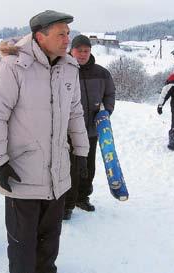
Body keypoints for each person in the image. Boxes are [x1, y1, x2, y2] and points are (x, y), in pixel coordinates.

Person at [0, 10, 89, 273]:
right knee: (22, 245)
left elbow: (75, 112)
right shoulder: (13, 66)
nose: (67, 40)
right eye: (61, 34)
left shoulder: (69, 67)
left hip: (57, 173)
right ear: (40, 36)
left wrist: (81, 153)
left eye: (68, 33)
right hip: (21, 174)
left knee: (49, 240)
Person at [63, 35, 116, 220]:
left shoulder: (101, 73)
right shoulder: (63, 70)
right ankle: (66, 204)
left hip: (91, 130)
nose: (83, 54)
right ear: (72, 50)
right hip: (67, 132)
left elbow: (110, 94)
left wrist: (105, 113)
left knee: (88, 167)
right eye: (79, 51)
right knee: (69, 168)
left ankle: (82, 198)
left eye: (87, 51)